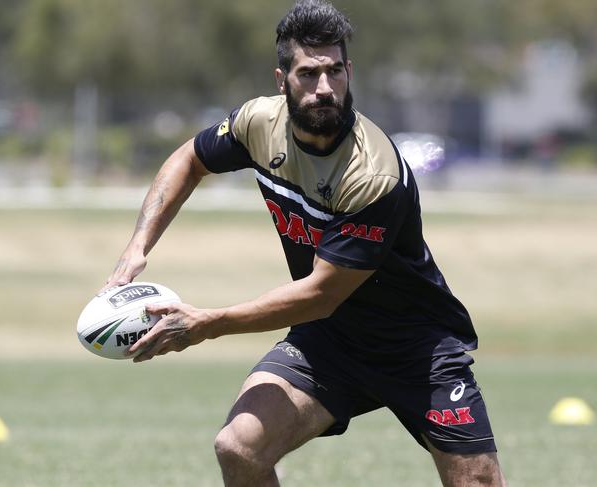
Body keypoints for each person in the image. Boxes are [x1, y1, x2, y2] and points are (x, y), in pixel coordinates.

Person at [104, 1, 506, 485]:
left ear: (348, 71)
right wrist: (137, 246)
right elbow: (190, 159)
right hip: (329, 343)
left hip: (415, 347)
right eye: (309, 74)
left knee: (476, 482)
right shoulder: (258, 124)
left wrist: (206, 323)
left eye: (335, 72)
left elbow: (321, 294)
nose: (324, 88)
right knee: (239, 447)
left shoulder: (372, 171)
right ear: (282, 80)